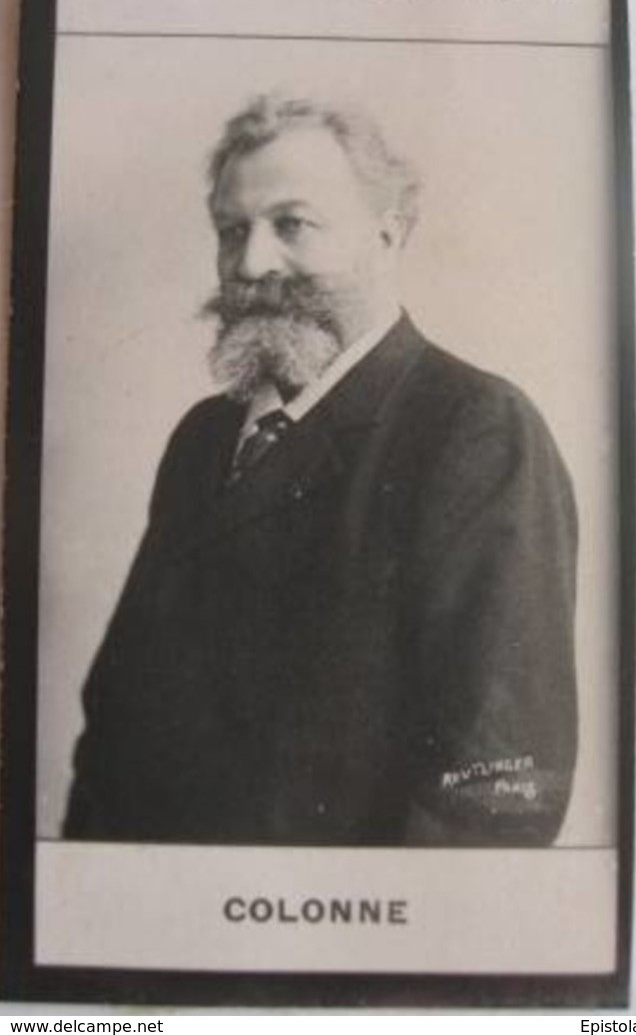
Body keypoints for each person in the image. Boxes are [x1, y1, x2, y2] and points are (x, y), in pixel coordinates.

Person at [64, 94, 577, 846]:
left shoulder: (476, 427)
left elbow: (500, 784)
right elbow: (116, 721)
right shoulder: (203, 438)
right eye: (231, 231)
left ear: (388, 232)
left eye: (292, 225)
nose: (251, 263)